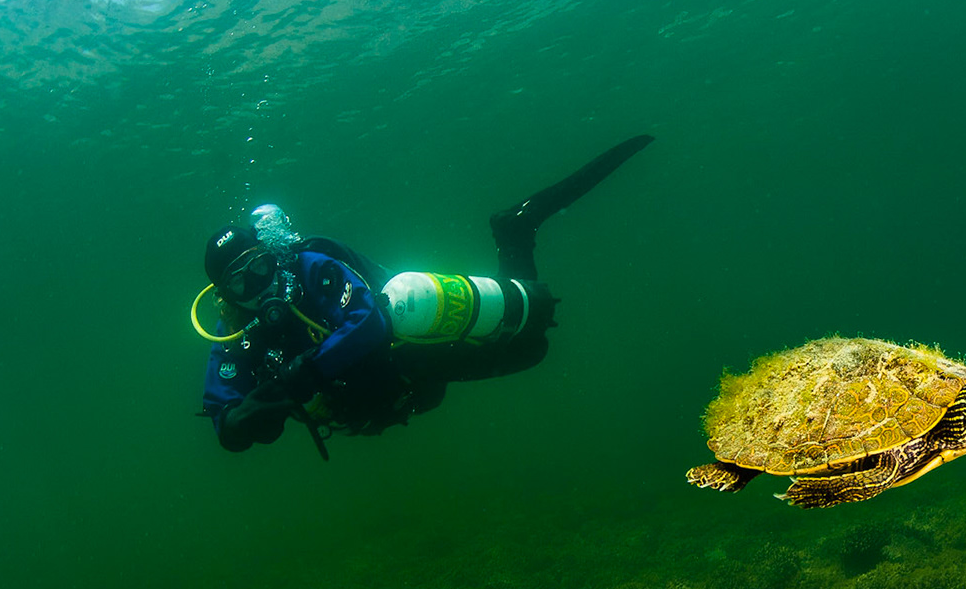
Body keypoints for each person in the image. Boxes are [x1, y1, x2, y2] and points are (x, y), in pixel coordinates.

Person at [194, 135, 653, 455]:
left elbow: (368, 323)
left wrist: (305, 375)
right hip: (386, 395)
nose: (259, 284)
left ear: (273, 254)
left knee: (533, 347)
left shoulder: (311, 269)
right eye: (241, 281)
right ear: (226, 295)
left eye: (261, 265)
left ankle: (515, 232)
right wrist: (237, 424)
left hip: (410, 355)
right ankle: (514, 237)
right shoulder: (233, 331)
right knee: (529, 349)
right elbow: (221, 404)